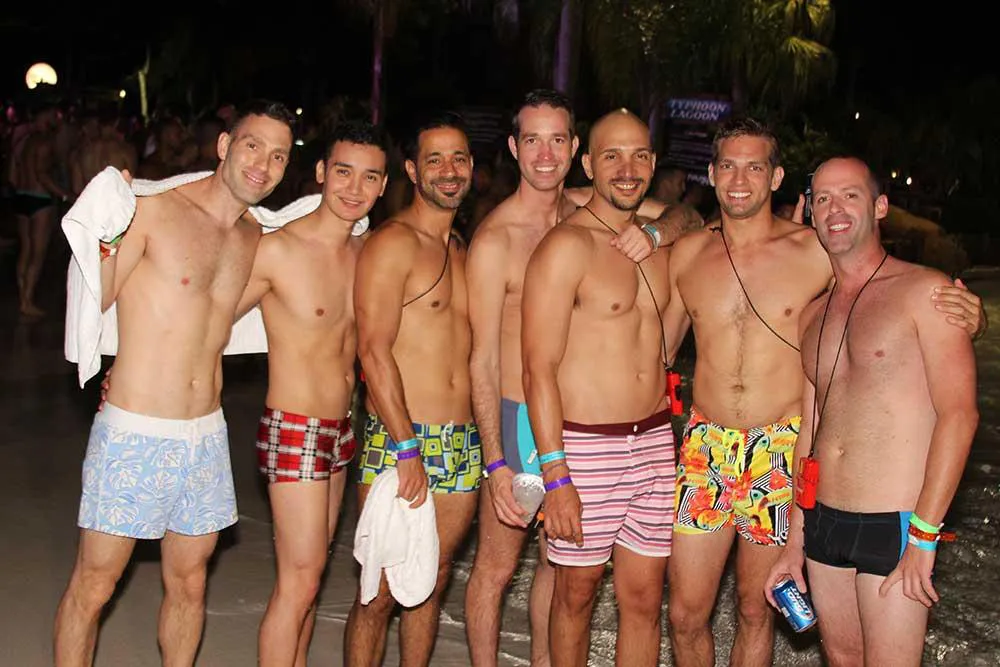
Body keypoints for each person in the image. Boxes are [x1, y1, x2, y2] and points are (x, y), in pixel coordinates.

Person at [664, 117, 984, 667]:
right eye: (729, 166)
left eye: (755, 167)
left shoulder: (818, 249)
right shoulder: (688, 254)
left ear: (776, 178)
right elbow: (657, 347)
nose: (740, 179)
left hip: (782, 447)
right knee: (684, 616)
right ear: (711, 174)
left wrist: (969, 318)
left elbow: (888, 302)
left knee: (756, 609)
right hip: (711, 448)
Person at [52, 99, 295, 667]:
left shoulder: (255, 238)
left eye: (279, 155)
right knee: (95, 584)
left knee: (190, 584)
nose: (262, 164)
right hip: (134, 430)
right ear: (224, 146)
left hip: (204, 437)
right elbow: (97, 296)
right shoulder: (153, 212)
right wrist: (106, 228)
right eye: (253, 145)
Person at [764, 156, 979, 666]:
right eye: (822, 198)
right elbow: (810, 432)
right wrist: (794, 541)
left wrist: (924, 535)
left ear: (880, 206)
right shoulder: (812, 315)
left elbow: (960, 415)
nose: (834, 208)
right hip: (823, 522)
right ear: (811, 214)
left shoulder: (926, 292)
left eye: (850, 195)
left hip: (897, 523)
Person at [522, 109, 675, 667]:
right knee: (576, 595)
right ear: (588, 164)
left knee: (644, 601)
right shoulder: (567, 246)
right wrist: (556, 474)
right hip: (586, 445)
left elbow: (697, 217)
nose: (627, 169)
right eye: (612, 156)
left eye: (639, 156)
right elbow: (537, 368)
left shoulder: (659, 239)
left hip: (655, 439)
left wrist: (660, 229)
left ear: (653, 163)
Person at [233, 120, 387, 667]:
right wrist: (129, 365)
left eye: (369, 177)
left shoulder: (369, 254)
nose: (354, 188)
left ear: (383, 186)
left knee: (313, 578)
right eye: (343, 172)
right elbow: (205, 317)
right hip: (294, 425)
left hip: (343, 429)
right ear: (321, 172)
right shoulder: (277, 250)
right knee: (297, 582)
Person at [344, 112, 481, 667]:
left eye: (459, 158)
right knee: (378, 591)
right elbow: (373, 351)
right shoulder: (393, 243)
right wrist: (405, 448)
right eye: (435, 159)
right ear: (411, 169)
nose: (449, 171)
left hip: (461, 439)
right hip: (401, 438)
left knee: (431, 581)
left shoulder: (462, 248)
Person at [463, 89, 581, 667]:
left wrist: (657, 232)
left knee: (560, 564)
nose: (545, 154)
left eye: (557, 140)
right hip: (517, 422)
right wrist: (495, 462)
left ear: (574, 148)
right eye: (533, 140)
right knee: (497, 567)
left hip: (574, 417)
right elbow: (482, 358)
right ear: (513, 147)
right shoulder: (496, 240)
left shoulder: (587, 219)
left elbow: (681, 217)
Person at [8, 101, 73, 316]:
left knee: (26, 250)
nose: (56, 119)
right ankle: (27, 301)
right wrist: (65, 195)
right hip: (40, 199)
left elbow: (12, 175)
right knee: (38, 253)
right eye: (54, 115)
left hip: (22, 196)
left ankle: (23, 297)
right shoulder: (45, 143)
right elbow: (42, 174)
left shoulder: (22, 141)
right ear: (46, 116)